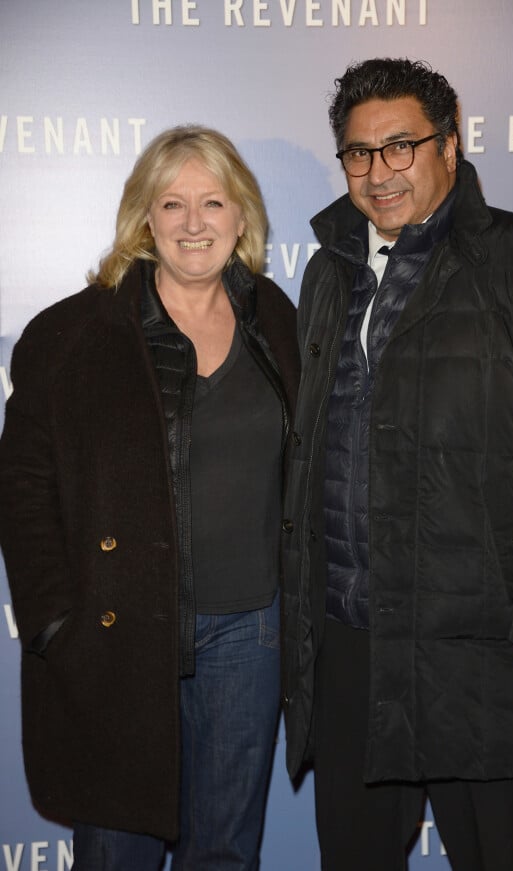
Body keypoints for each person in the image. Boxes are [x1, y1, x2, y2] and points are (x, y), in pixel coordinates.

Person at [281, 58, 513, 871]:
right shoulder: (328, 272)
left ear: (451, 143)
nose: (378, 172)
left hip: (478, 645)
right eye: (358, 153)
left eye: (401, 145)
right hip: (351, 639)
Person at [0, 124, 299, 870]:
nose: (193, 223)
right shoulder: (72, 334)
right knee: (117, 851)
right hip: (118, 636)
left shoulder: (280, 321)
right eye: (172, 204)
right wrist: (54, 622)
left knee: (225, 852)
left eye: (212, 202)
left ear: (242, 217)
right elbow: (23, 487)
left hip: (248, 632)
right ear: (145, 219)